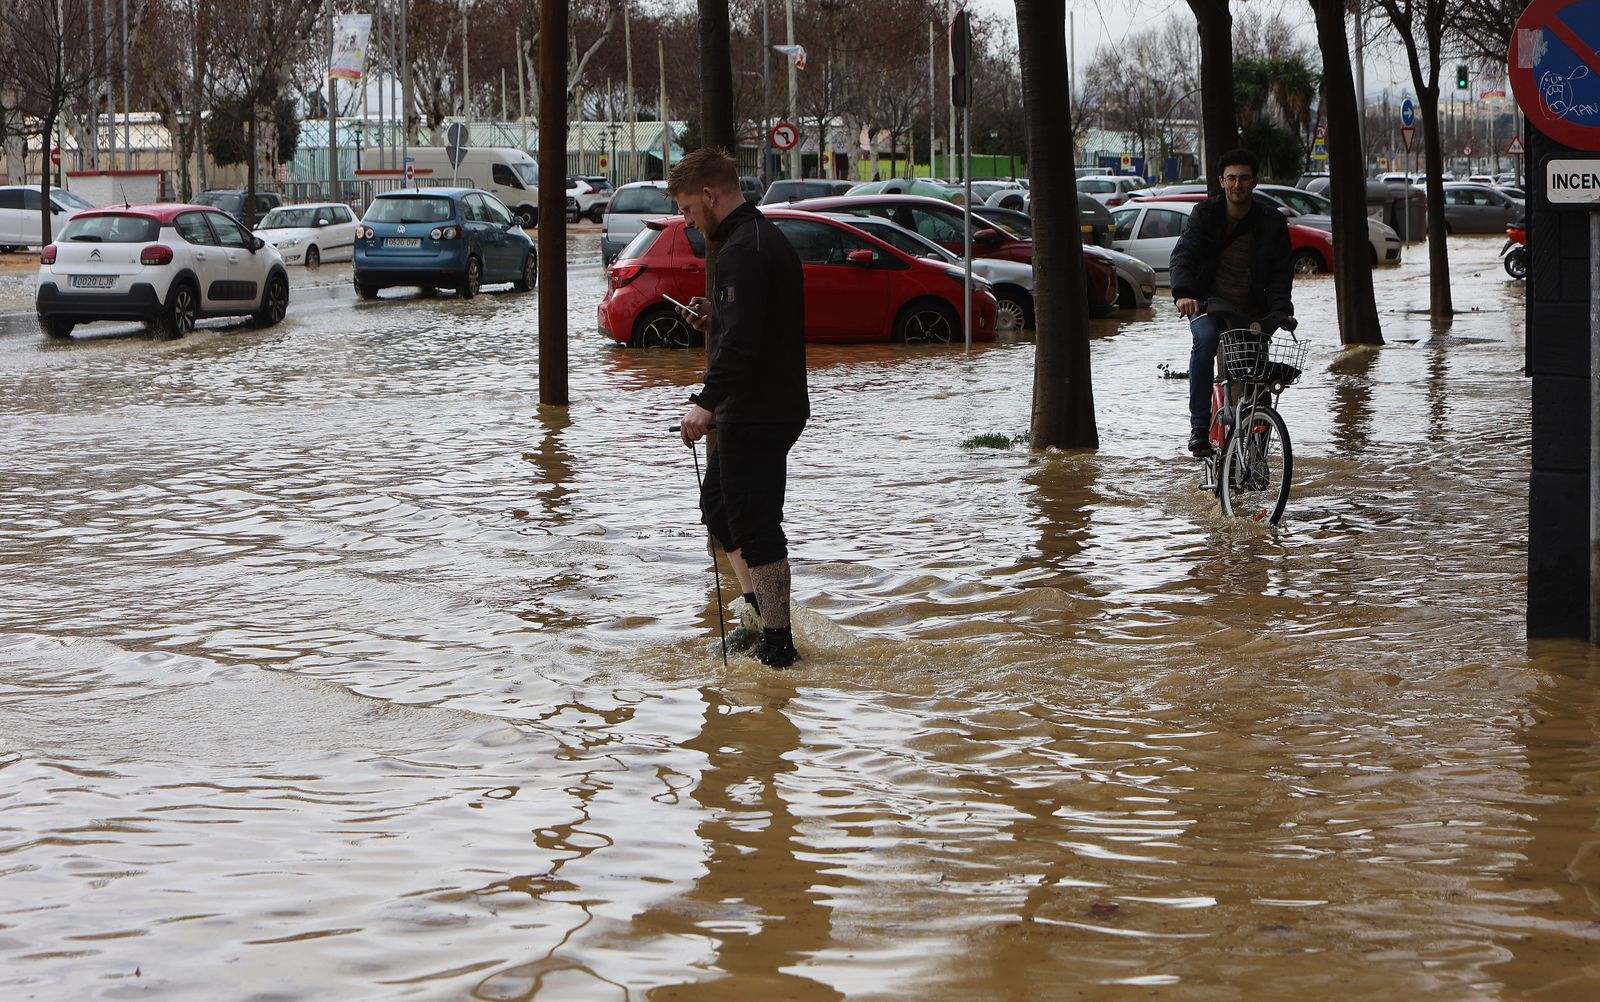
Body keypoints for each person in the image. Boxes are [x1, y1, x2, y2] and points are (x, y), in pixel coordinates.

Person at [670, 148, 808, 669]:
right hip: (752, 404)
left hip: (761, 408)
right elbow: (748, 323)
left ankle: (779, 644)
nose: (686, 221)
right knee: (720, 512)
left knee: (756, 524)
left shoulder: (744, 250)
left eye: (687, 209)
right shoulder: (750, 240)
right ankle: (757, 618)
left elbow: (745, 344)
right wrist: (715, 317)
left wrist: (704, 401)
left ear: (710, 195)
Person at [1168, 149, 1295, 456]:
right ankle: (1199, 427)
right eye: (1232, 178)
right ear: (1221, 181)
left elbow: (1281, 271)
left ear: (1255, 181)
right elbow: (1185, 254)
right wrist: (1184, 293)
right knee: (1206, 341)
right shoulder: (1205, 215)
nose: (1238, 185)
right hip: (1207, 304)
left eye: (1244, 178)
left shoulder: (1271, 221)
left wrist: (1282, 312)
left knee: (1258, 374)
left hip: (1251, 310)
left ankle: (1258, 454)